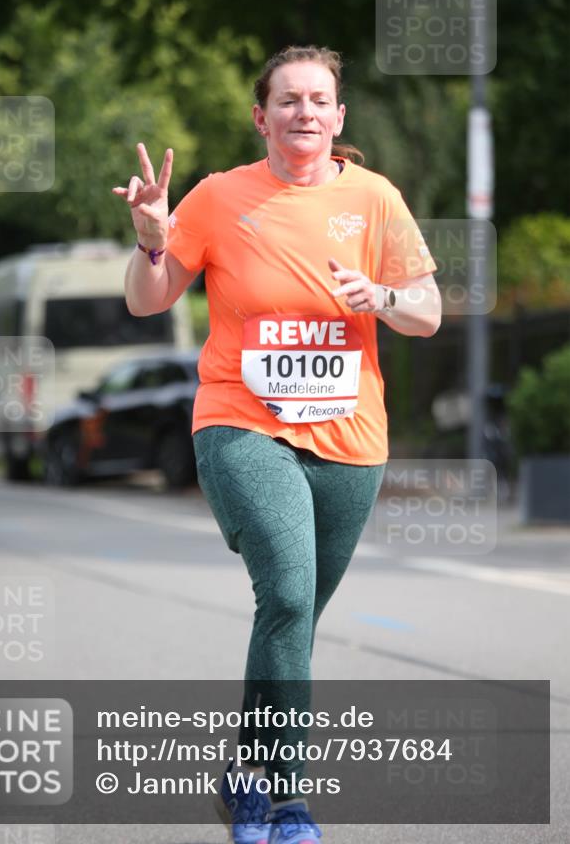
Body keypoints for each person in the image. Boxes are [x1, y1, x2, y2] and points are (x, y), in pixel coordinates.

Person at [113, 46, 441, 844]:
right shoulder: (221, 198)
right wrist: (153, 241)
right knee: (289, 597)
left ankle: (242, 774)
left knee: (288, 621)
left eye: (317, 99)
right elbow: (147, 300)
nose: (303, 112)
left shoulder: (373, 198)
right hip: (242, 424)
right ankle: (288, 800)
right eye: (286, 100)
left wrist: (384, 295)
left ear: (338, 117)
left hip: (349, 439)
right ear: (261, 117)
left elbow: (425, 311)